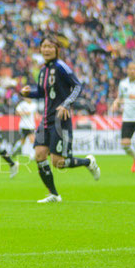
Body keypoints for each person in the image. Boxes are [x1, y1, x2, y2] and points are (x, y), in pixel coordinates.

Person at [21, 36, 100, 203]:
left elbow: (77, 85)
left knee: (58, 162)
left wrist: (66, 104)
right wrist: (29, 94)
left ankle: (88, 161)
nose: (47, 49)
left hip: (60, 119)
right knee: (39, 155)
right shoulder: (43, 71)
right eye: (44, 46)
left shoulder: (61, 67)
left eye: (50, 46)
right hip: (45, 119)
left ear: (57, 49)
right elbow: (43, 94)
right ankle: (54, 194)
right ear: (40, 49)